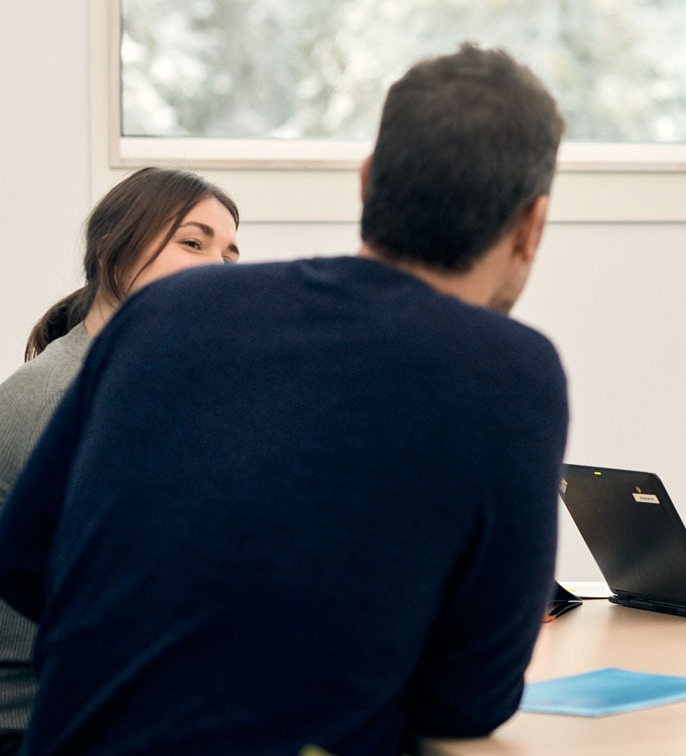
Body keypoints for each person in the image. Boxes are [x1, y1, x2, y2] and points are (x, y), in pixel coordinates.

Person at [0, 44, 569, 755]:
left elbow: (24, 555)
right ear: (531, 225)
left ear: (367, 183)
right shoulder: (513, 371)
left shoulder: (168, 311)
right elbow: (469, 699)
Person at [0, 167, 239, 754]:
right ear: (113, 249)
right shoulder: (60, 397)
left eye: (231, 254)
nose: (220, 269)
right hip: (41, 727)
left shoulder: (146, 387)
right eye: (193, 241)